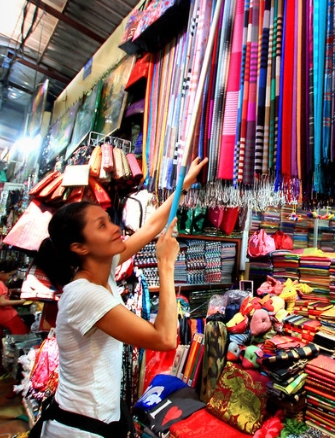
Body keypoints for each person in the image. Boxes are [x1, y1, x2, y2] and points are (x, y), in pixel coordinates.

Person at [31, 157, 207, 438]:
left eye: (108, 221)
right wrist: (166, 266)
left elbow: (150, 228)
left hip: (98, 420)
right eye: (101, 226)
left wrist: (183, 186)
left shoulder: (102, 269)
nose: (115, 228)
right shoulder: (85, 294)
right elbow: (164, 339)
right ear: (79, 247)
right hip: (80, 429)